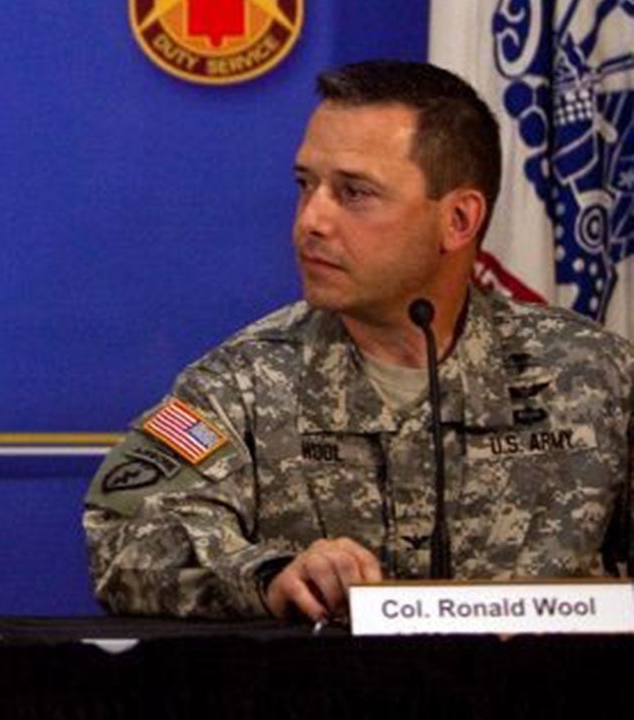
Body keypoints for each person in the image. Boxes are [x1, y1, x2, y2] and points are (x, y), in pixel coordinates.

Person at [84, 59, 634, 622]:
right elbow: (123, 535)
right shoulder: (241, 383)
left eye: (355, 193)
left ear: (460, 220)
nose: (311, 221)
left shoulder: (594, 374)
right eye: (306, 186)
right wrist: (269, 575)